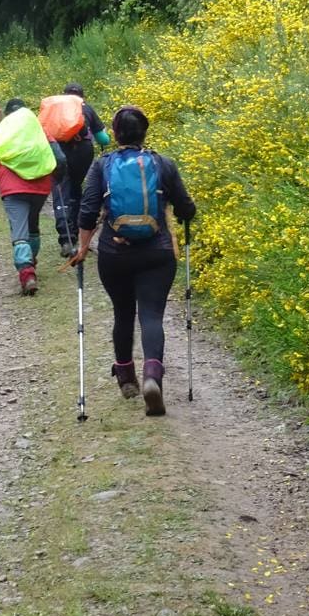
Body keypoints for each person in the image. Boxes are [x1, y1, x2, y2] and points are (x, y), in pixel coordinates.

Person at [70, 106, 195, 416]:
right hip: (157, 252)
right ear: (145, 132)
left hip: (115, 254)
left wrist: (83, 248)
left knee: (122, 313)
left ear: (114, 134)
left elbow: (87, 212)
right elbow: (186, 208)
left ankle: (126, 376)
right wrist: (181, 216)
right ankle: (153, 375)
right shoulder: (162, 163)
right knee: (151, 315)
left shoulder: (102, 166)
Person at [0, 99, 58, 296]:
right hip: (40, 185)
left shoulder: (1, 132)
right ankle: (31, 260)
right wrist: (59, 178)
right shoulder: (40, 130)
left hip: (12, 187)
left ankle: (27, 272)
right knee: (33, 225)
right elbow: (60, 157)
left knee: (19, 229)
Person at [52, 82, 111, 258]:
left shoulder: (55, 108)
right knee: (76, 189)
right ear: (82, 96)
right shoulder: (87, 108)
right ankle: (75, 235)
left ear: (64, 94)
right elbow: (103, 139)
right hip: (83, 152)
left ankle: (65, 238)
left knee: (61, 190)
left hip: (58, 150)